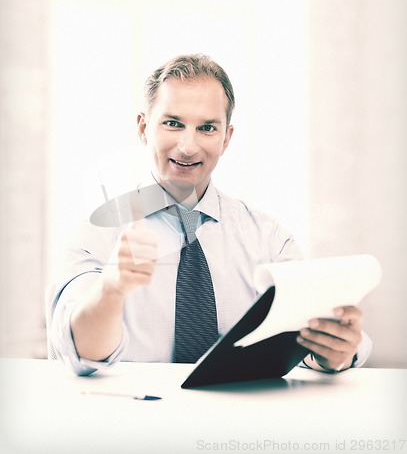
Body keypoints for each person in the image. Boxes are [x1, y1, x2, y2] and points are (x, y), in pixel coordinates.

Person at [49, 54, 371, 376]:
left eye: (206, 128)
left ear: (226, 138)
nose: (188, 146)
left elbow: (303, 336)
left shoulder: (268, 239)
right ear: (144, 128)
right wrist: (111, 290)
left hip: (238, 418)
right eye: (173, 124)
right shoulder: (95, 232)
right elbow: (81, 353)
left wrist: (332, 351)